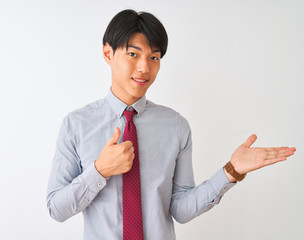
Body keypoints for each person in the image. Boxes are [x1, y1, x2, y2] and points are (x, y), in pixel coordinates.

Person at [46, 9, 296, 240]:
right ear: (107, 53)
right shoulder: (76, 124)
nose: (144, 67)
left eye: (154, 57)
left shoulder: (176, 126)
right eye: (133, 54)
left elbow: (180, 209)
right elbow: (56, 208)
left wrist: (231, 171)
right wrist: (99, 171)